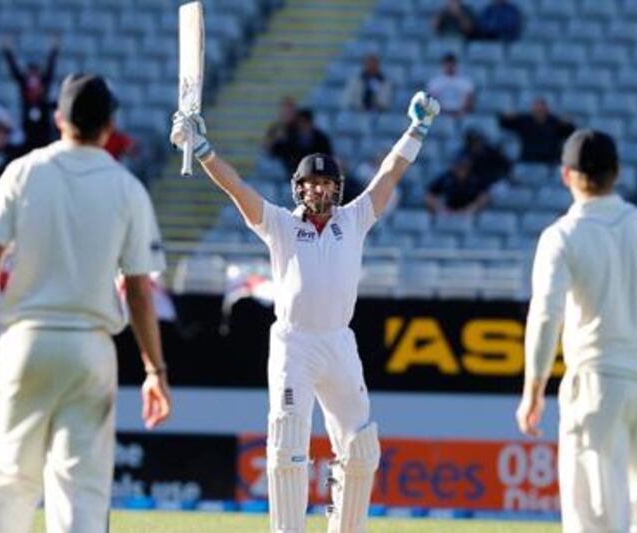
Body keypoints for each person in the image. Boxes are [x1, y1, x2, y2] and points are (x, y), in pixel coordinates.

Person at [170, 91, 440, 533]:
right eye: (312, 183)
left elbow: (390, 173)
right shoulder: (280, 223)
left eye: (327, 184)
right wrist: (203, 150)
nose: (319, 189)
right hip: (294, 344)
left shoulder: (353, 220)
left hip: (338, 342)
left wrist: (416, 129)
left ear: (337, 189)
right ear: (299, 187)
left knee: (360, 448)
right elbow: (237, 187)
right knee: (288, 445)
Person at [0, 74, 171, 533]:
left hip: (23, 344)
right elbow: (138, 291)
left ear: (59, 118)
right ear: (110, 126)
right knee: (81, 494)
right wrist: (155, 370)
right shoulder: (126, 188)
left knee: (7, 483)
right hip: (89, 351)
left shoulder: (24, 171)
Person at [516, 129, 637, 533]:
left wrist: (533, 390)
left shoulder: (562, 236)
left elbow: (546, 315)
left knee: (594, 515)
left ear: (566, 175)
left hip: (598, 381)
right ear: (617, 173)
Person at [1, 36, 59, 152]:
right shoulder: (24, 85)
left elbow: (50, 69)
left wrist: (54, 49)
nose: (33, 76)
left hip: (44, 129)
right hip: (28, 128)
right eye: (31, 71)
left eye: (35, 71)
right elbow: (15, 71)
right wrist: (7, 51)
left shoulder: (44, 84)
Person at [499, 97, 575, 164]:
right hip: (528, 161)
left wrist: (568, 123)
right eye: (537, 108)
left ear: (546, 110)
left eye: (541, 108)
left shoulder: (554, 123)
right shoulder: (525, 121)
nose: (539, 111)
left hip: (550, 162)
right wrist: (506, 116)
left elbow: (570, 132)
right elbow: (505, 123)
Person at [270, 107, 334, 173]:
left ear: (310, 123)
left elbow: (326, 156)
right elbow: (278, 151)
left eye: (305, 122)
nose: (302, 125)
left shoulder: (321, 138)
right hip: (295, 171)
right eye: (300, 122)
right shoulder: (292, 137)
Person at [425, 157, 490, 215]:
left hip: (469, 214)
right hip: (447, 213)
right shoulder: (446, 178)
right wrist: (439, 208)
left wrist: (472, 208)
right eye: (459, 166)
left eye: (464, 167)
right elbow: (429, 195)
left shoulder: (475, 179)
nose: (461, 171)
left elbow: (485, 196)